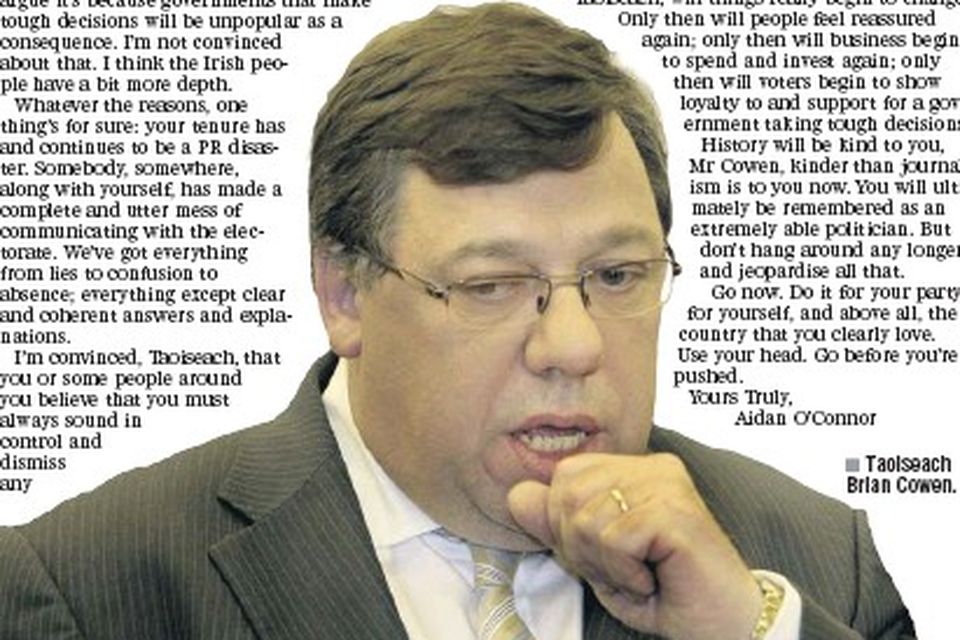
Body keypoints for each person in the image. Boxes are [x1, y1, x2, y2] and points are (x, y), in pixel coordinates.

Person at [0, 3, 914, 639]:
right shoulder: (84, 586)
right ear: (344, 294)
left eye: (617, 275)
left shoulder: (808, 567)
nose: (574, 346)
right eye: (492, 285)